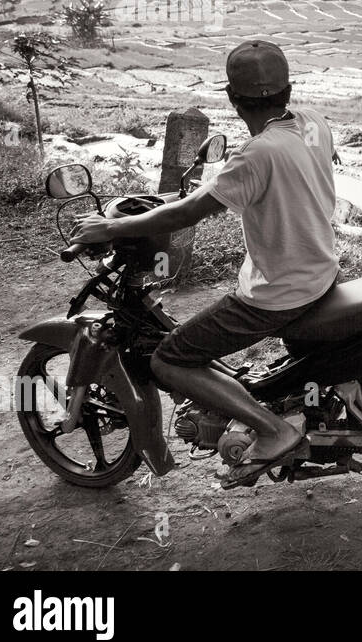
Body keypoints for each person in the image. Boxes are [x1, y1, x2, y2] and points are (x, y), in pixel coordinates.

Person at [70, 40, 340, 487]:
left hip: (279, 293)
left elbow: (185, 213)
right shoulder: (312, 123)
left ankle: (274, 431)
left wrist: (111, 228)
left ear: (233, 100)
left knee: (169, 358)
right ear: (288, 90)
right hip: (322, 270)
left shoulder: (256, 156)